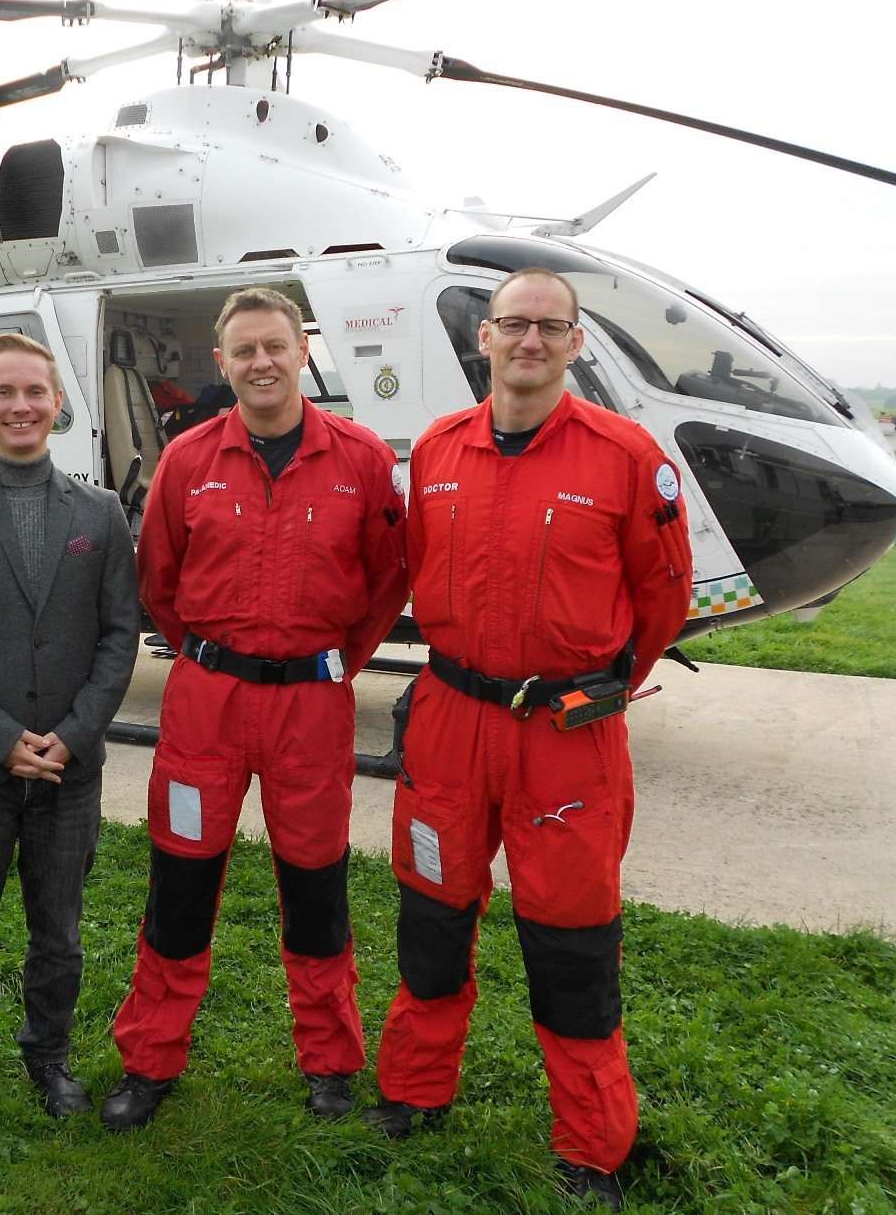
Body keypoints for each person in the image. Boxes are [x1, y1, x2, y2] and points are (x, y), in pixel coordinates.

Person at [367, 269, 693, 1210]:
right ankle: (415, 1091)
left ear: (576, 342)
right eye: (514, 324)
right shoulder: (435, 450)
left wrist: (602, 686)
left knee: (572, 943)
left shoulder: (628, 456)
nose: (530, 342)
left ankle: (593, 1141)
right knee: (432, 915)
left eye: (551, 327)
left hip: (567, 736)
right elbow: (414, 564)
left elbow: (662, 594)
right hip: (452, 724)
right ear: (485, 338)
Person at [101, 287, 408, 1129]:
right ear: (222, 362)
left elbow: (387, 580)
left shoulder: (362, 458)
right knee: (180, 883)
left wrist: (336, 661)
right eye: (245, 350)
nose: (262, 362)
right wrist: (213, 655)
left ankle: (330, 1061)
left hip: (312, 705)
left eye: (275, 346)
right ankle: (151, 1059)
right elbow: (159, 582)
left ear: (303, 351)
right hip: (207, 706)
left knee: (316, 891)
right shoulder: (189, 459)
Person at [0, 332, 140, 1129]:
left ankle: (50, 1056)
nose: (19, 406)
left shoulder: (100, 515)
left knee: (59, 934)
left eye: (34, 391)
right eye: (2, 392)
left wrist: (72, 735)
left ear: (58, 403)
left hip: (70, 771)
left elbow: (119, 637)